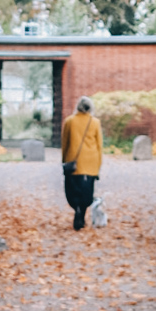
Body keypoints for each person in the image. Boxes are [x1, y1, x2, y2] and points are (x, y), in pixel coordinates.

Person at [61, 96, 103, 230]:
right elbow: (99, 145)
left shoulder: (69, 121)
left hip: (73, 161)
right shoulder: (95, 122)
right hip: (90, 162)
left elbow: (65, 143)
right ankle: (82, 213)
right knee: (87, 190)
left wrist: (64, 160)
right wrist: (98, 166)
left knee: (72, 190)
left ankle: (77, 209)